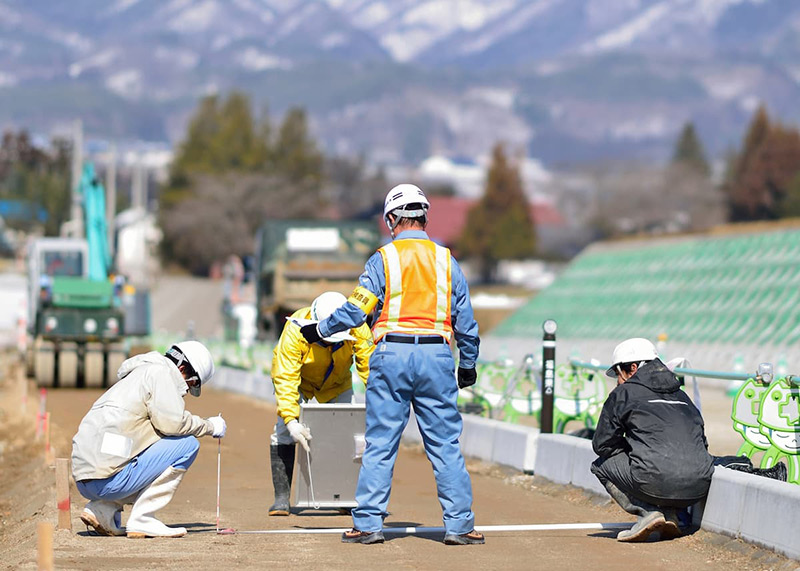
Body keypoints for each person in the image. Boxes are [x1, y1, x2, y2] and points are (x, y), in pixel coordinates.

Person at [300, 183, 484, 546]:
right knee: (445, 444)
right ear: (424, 216)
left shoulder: (382, 260)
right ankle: (460, 527)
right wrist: (468, 363)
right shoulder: (448, 261)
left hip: (392, 357)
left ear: (391, 219)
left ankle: (368, 524)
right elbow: (465, 319)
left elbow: (357, 309)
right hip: (436, 357)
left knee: (381, 443)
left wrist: (321, 329)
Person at [71, 340, 226, 538]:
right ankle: (143, 519)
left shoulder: (137, 376)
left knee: (151, 443)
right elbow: (172, 423)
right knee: (187, 444)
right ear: (182, 367)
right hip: (106, 481)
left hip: (85, 481)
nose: (188, 390)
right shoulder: (161, 375)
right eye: (193, 382)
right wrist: (210, 426)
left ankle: (103, 509)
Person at [591, 337, 715, 542]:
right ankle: (672, 515)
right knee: (664, 461)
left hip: (652, 481)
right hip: (698, 486)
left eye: (618, 373)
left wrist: (632, 449)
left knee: (600, 465)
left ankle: (648, 513)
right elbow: (701, 442)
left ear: (632, 368)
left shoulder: (623, 393)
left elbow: (602, 444)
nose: (618, 380)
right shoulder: (682, 395)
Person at [268, 291, 374, 516]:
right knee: (283, 433)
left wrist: (381, 403)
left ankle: (345, 495)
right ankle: (281, 498)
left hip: (337, 382)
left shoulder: (358, 328)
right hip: (301, 383)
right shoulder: (295, 332)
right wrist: (290, 419)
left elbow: (370, 369)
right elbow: (286, 376)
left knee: (347, 434)